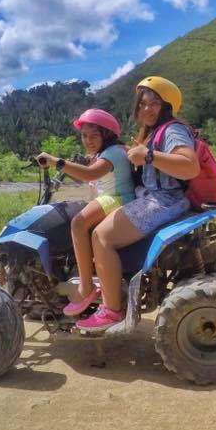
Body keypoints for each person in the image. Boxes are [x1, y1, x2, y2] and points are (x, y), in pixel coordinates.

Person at [80, 76, 199, 331]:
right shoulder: (153, 132)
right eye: (143, 103)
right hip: (153, 197)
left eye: (154, 103)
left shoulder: (173, 130)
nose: (147, 109)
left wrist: (149, 155)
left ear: (167, 105)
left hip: (163, 200)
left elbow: (189, 166)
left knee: (102, 237)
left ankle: (111, 310)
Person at [35, 109, 135, 316]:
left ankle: (86, 288)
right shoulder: (106, 153)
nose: (88, 140)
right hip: (113, 197)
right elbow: (90, 176)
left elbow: (91, 173)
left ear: (107, 135)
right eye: (84, 136)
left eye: (94, 136)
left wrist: (56, 162)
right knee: (79, 217)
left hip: (118, 198)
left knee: (78, 223)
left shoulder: (113, 153)